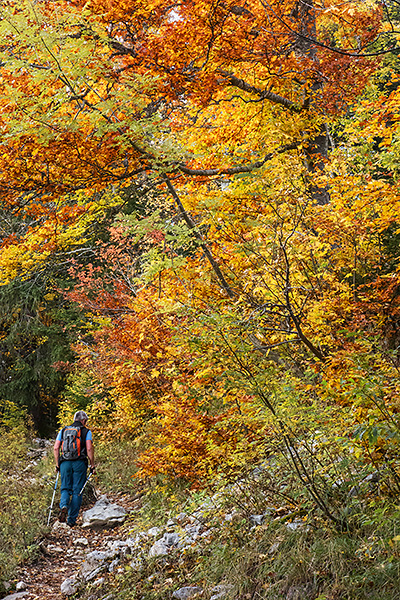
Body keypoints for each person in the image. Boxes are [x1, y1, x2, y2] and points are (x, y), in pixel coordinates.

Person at [53, 410, 95, 527]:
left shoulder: (63, 430)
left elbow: (56, 448)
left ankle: (64, 506)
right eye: (85, 421)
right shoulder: (86, 431)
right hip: (79, 463)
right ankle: (71, 520)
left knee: (65, 488)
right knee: (77, 491)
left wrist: (57, 464)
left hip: (65, 463)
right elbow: (89, 449)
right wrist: (92, 465)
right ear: (83, 420)